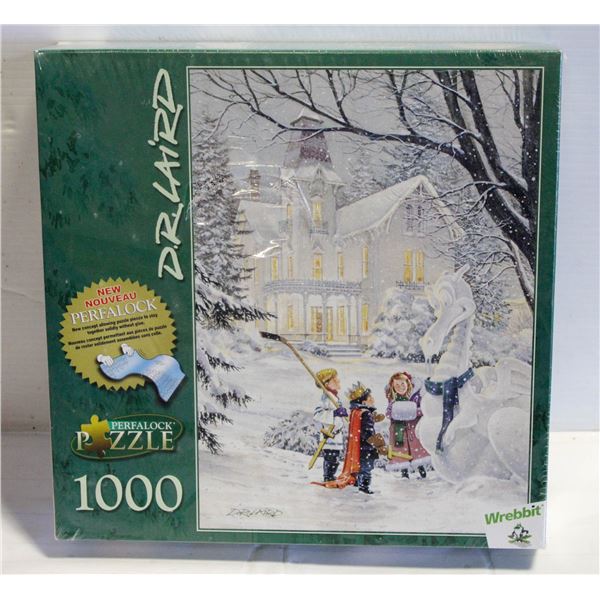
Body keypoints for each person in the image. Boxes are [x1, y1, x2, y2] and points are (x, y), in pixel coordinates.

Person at [385, 371, 431, 479]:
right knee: (401, 451)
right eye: (397, 385)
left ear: (408, 383)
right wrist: (395, 412)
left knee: (417, 451)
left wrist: (413, 411)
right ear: (393, 387)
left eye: (402, 384)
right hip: (399, 430)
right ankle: (404, 472)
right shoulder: (393, 399)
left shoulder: (416, 398)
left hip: (413, 430)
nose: (400, 387)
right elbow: (388, 413)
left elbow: (423, 410)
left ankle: (421, 470)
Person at [313, 368, 347, 482]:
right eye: (335, 379)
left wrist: (342, 413)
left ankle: (330, 476)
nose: (338, 381)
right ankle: (328, 476)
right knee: (331, 457)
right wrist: (334, 413)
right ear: (327, 384)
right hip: (329, 434)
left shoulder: (334, 397)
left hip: (336, 434)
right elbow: (318, 414)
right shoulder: (326, 398)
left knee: (335, 457)